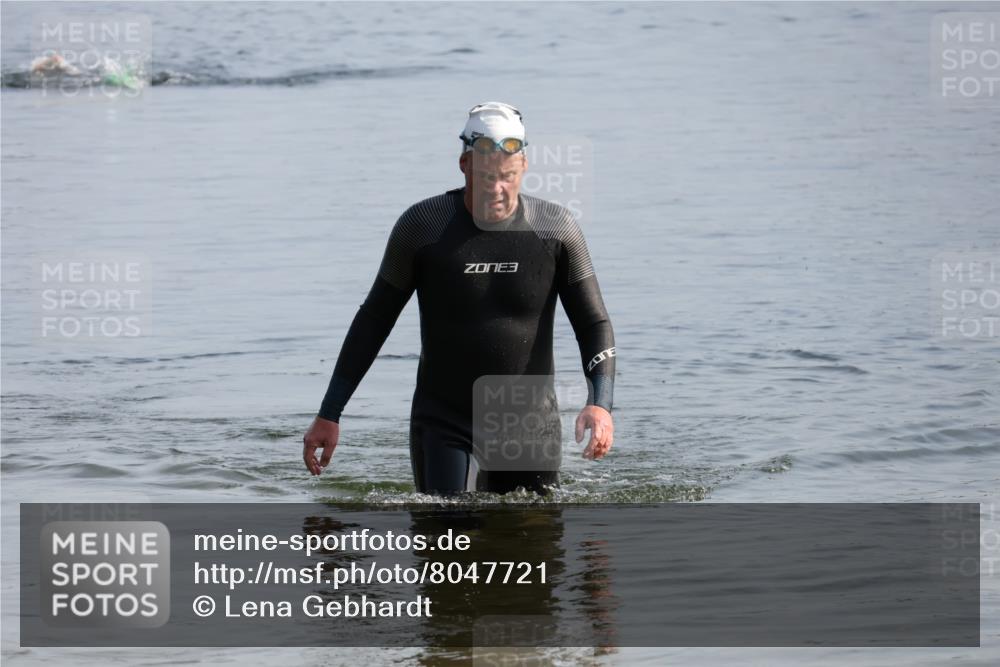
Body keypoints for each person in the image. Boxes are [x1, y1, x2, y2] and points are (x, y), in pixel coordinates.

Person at [303, 102, 616, 495]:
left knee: (531, 545)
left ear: (524, 167)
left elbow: (594, 323)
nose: (497, 189)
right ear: (464, 164)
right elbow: (374, 320)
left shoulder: (555, 230)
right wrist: (329, 414)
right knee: (446, 537)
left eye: (506, 176)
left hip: (529, 426)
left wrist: (600, 403)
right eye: (486, 177)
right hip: (443, 421)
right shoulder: (423, 227)